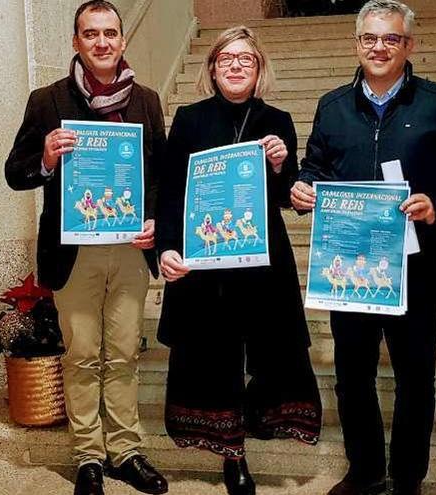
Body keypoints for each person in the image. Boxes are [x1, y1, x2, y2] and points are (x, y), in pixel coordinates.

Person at [289, 2, 436, 494]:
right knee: (352, 377)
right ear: (357, 43)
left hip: (415, 267)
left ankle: (408, 477)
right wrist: (302, 189)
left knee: (414, 378)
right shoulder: (332, 106)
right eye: (370, 38)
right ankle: (366, 471)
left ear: (408, 45)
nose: (379, 47)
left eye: (391, 39)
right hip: (350, 267)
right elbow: (315, 167)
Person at [4, 2, 168, 495]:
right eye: (90, 34)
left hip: (129, 249)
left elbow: (158, 173)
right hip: (74, 251)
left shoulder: (146, 100)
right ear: (76, 41)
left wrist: (156, 220)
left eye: (110, 33)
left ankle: (126, 450)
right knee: (81, 356)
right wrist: (47, 159)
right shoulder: (47, 100)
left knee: (122, 353)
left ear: (122, 41)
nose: (102, 42)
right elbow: (15, 171)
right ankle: (88, 458)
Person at [156, 26, 323, 495]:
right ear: (211, 68)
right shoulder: (189, 119)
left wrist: (280, 165)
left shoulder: (278, 119)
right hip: (205, 262)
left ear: (259, 70)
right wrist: (166, 246)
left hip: (262, 261)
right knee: (216, 355)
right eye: (226, 58)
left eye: (245, 60)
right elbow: (171, 191)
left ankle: (256, 428)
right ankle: (234, 456)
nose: (234, 65)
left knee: (267, 352)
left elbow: (290, 194)